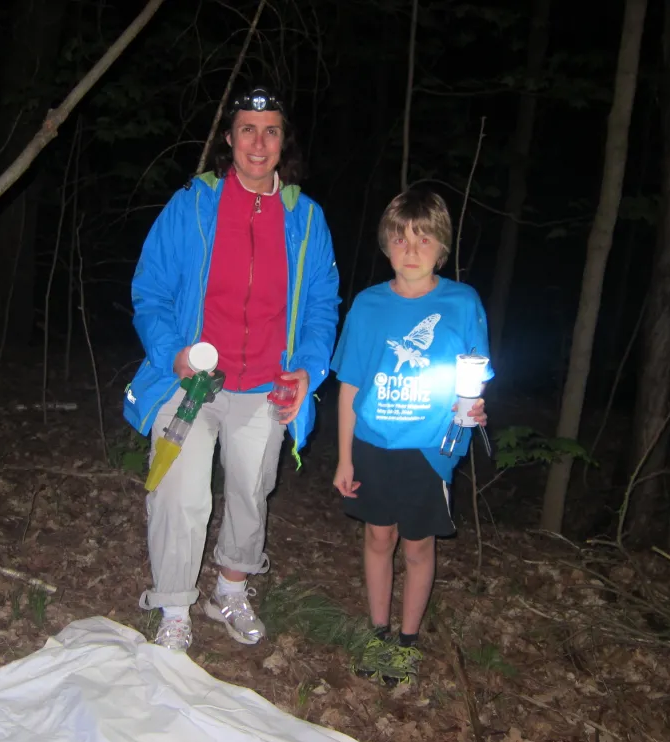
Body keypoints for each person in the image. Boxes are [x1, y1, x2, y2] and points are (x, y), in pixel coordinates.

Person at [123, 86, 340, 652]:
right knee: (178, 490)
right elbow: (150, 290)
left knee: (251, 490)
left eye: (271, 131)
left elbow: (322, 305)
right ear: (229, 137)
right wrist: (172, 352)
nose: (258, 143)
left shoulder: (307, 219)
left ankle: (230, 591)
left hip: (268, 384)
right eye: (247, 129)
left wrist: (308, 370)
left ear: (283, 141)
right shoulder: (191, 206)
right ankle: (174, 608)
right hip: (191, 380)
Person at [330, 189, 491, 686]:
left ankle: (407, 641)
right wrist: (344, 458)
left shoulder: (462, 302)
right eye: (400, 239)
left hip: (430, 448)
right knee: (378, 536)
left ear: (441, 246)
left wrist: (475, 406)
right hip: (374, 443)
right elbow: (350, 385)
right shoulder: (368, 305)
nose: (412, 250)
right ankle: (378, 633)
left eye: (424, 239)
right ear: (387, 245)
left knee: (418, 546)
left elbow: (474, 375)